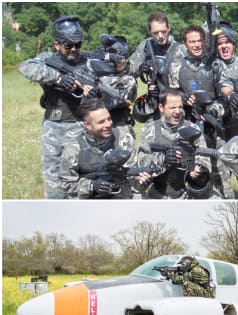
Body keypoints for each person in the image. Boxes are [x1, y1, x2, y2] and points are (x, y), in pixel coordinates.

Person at [19, 16, 90, 198]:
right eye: (68, 45)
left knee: (81, 184)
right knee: (55, 187)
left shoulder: (87, 61)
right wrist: (58, 78)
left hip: (82, 128)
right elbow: (26, 67)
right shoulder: (48, 60)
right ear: (57, 44)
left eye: (78, 44)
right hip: (54, 130)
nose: (74, 49)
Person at [169, 25, 232, 199]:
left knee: (222, 174)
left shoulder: (216, 65)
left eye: (199, 41)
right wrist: (183, 99)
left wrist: (212, 110)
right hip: (188, 131)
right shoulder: (176, 67)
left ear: (205, 41)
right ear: (185, 44)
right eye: (192, 41)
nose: (197, 45)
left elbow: (226, 100)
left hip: (214, 129)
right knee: (191, 174)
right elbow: (172, 98)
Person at [59, 98, 144, 199]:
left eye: (109, 119)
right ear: (87, 125)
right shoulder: (73, 148)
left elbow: (133, 171)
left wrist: (142, 179)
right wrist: (91, 185)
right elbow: (66, 184)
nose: (108, 124)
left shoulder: (123, 138)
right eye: (101, 122)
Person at [140, 89, 212, 199]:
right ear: (161, 108)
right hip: (156, 192)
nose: (177, 111)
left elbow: (204, 159)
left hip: (186, 193)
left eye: (180, 107)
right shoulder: (150, 130)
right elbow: (142, 162)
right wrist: (163, 160)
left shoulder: (193, 129)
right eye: (172, 108)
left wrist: (196, 170)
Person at [95, 35, 138, 142]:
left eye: (122, 58)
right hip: (97, 128)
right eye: (114, 58)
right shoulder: (96, 74)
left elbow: (115, 101)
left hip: (120, 128)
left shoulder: (128, 80)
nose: (119, 61)